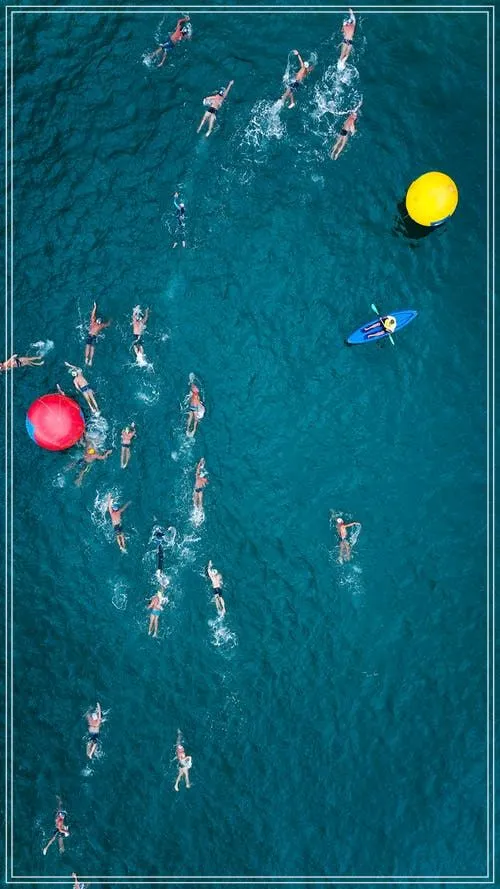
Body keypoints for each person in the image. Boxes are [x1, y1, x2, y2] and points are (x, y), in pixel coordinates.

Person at [85, 302, 111, 366]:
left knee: (89, 347)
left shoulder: (94, 322)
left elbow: (93, 314)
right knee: (91, 347)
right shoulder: (99, 325)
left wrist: (95, 307)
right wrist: (110, 320)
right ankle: (89, 359)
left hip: (91, 335)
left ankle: (88, 359)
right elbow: (107, 324)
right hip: (93, 336)